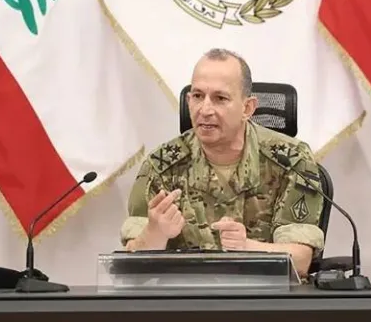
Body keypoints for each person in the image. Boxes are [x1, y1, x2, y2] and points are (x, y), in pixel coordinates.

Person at [120, 48, 325, 277]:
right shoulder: (161, 166)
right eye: (198, 96)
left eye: (220, 98)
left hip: (264, 296)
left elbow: (300, 261)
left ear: (247, 108)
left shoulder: (292, 160)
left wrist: (246, 247)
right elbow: (130, 269)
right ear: (188, 101)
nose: (205, 110)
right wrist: (154, 234)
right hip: (184, 296)